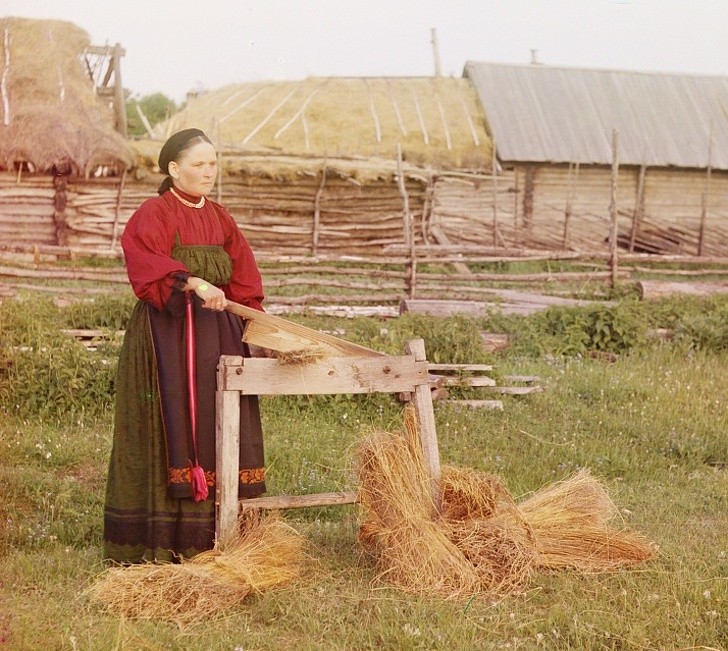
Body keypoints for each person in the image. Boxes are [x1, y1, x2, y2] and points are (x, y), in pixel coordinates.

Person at [103, 128, 266, 563]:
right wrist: (192, 281)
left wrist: (258, 323)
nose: (208, 172)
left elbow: (245, 278)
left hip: (219, 336)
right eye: (198, 164)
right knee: (173, 420)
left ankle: (224, 537)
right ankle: (166, 539)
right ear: (174, 169)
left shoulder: (220, 218)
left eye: (213, 163)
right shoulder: (153, 213)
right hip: (169, 339)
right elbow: (146, 266)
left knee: (220, 419)